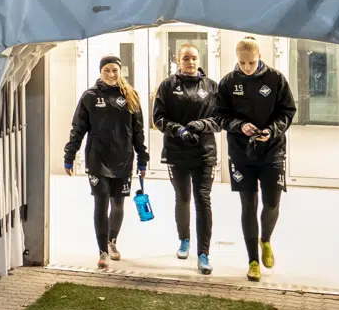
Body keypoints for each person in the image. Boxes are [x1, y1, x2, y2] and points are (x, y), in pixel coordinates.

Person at [214, 36, 296, 283]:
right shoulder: (228, 82)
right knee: (248, 205)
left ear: (259, 56)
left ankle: (266, 240)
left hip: (272, 151)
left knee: (271, 203)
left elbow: (288, 111)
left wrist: (272, 130)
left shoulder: (276, 79)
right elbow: (219, 116)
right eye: (242, 62)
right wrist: (240, 126)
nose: (247, 67)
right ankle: (252, 261)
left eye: (251, 62)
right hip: (241, 154)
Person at [63, 54, 148, 270]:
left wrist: (142, 160)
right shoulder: (90, 96)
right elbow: (78, 129)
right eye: (106, 70)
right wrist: (69, 155)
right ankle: (102, 251)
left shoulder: (131, 96)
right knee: (101, 203)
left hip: (123, 159)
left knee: (118, 204)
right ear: (100, 72)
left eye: (115, 70)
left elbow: (138, 132)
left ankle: (112, 242)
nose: (111, 74)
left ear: (121, 72)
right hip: (97, 160)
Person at [152, 44, 220, 276]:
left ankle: (204, 253)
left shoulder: (211, 87)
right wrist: (178, 130)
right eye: (185, 58)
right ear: (177, 60)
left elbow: (221, 119)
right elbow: (158, 118)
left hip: (204, 153)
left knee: (203, 199)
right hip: (177, 153)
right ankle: (184, 240)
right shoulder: (168, 86)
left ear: (199, 60)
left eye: (193, 58)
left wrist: (202, 125)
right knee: (182, 198)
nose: (190, 62)